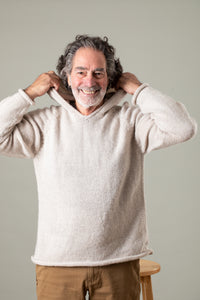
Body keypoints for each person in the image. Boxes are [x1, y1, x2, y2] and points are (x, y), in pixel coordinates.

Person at [0, 35, 197, 300]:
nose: (89, 81)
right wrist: (28, 94)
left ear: (110, 78)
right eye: (80, 72)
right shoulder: (46, 123)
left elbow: (183, 128)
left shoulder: (129, 120)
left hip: (118, 262)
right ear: (67, 77)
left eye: (98, 73)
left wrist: (137, 89)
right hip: (57, 264)